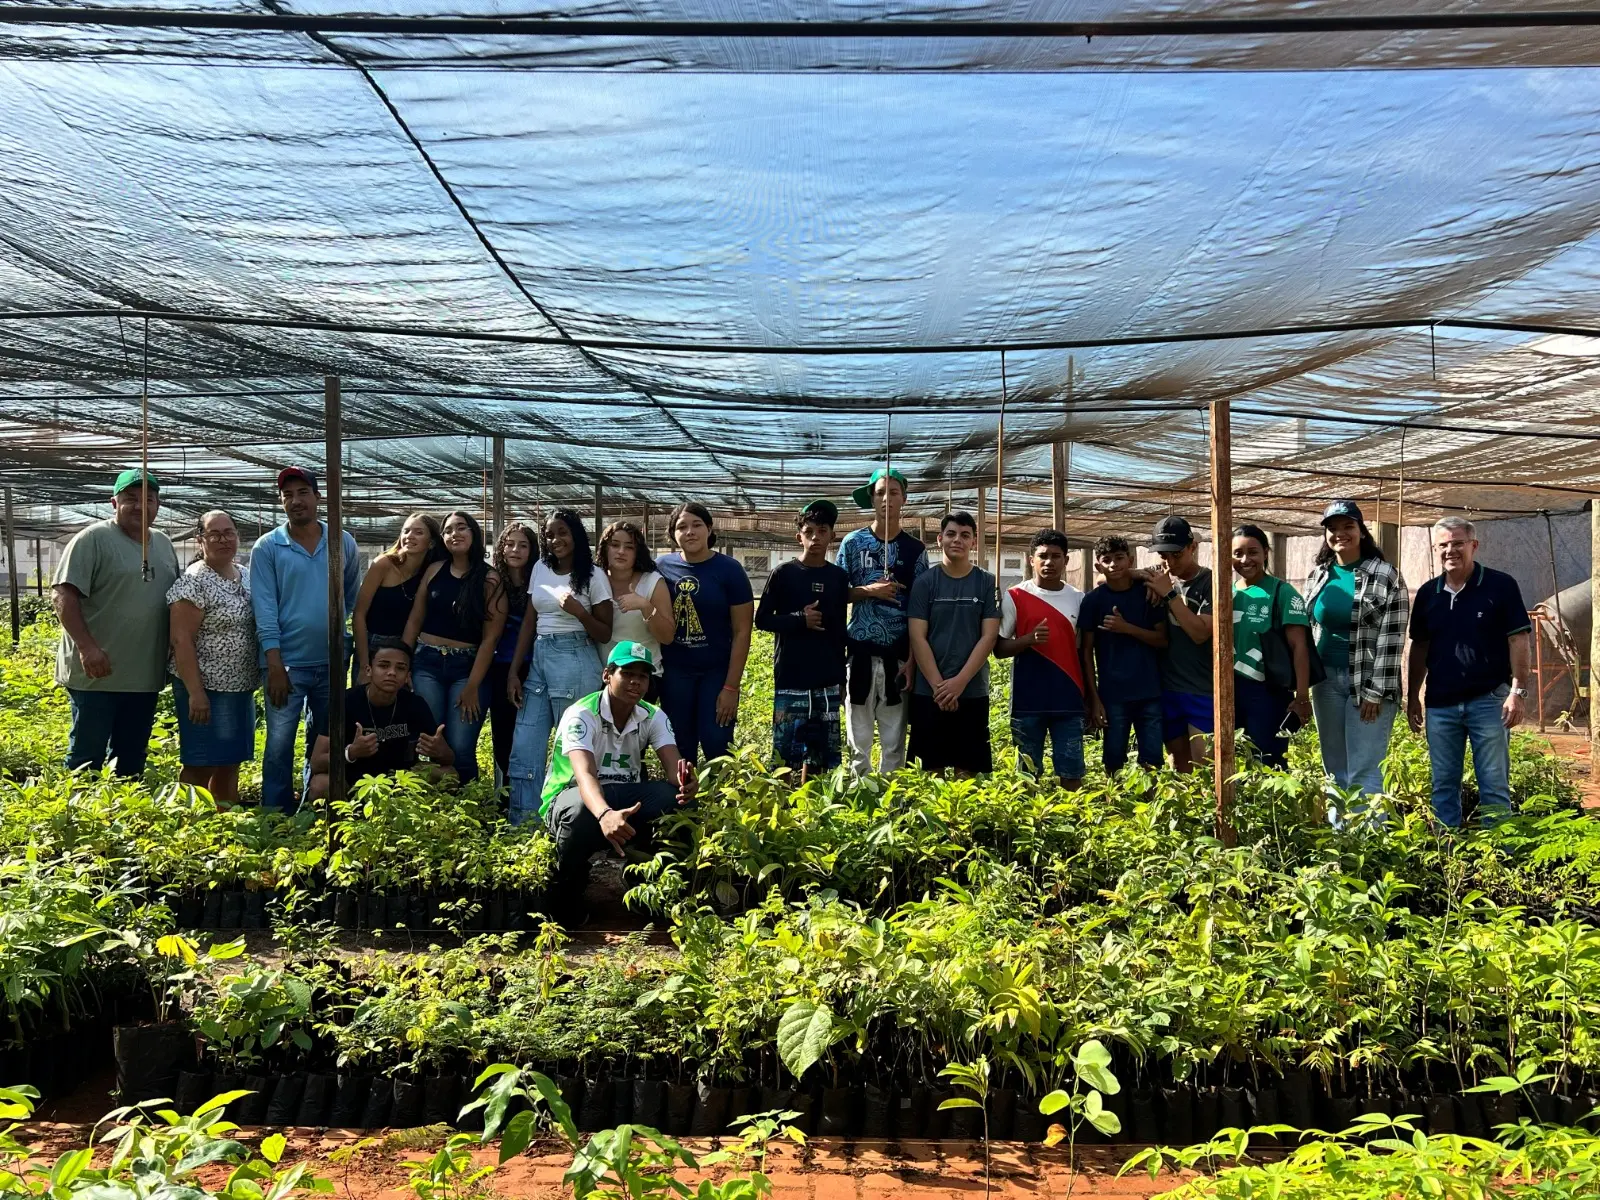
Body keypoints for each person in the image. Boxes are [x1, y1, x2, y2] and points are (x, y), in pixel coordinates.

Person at [541, 642, 699, 926]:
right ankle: (566, 894)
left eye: (643, 676)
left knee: (677, 802)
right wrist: (605, 815)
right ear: (607, 675)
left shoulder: (653, 715)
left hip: (625, 796)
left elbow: (672, 764)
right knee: (579, 810)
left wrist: (686, 782)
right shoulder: (581, 714)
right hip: (572, 797)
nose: (635, 682)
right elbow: (585, 775)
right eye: (627, 673)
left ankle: (647, 886)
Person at [52, 468, 180, 776]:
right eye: (130, 498)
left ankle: (123, 805)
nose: (139, 506)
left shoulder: (163, 544)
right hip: (98, 673)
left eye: (148, 499)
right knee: (87, 756)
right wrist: (87, 648)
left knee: (131, 757)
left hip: (144, 676)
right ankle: (80, 806)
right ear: (114, 503)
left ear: (158, 504)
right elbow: (63, 595)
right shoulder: (92, 539)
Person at [1406, 517, 1531, 827]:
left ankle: (1498, 848)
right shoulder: (1428, 594)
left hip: (1488, 700)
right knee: (1443, 784)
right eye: (1443, 545)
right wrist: (1412, 696)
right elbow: (1419, 648)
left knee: (1494, 784)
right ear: (1435, 549)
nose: (1451, 550)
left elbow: (1518, 640)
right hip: (1440, 704)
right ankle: (1446, 846)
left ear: (1474, 545)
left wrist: (1517, 692)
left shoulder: (1500, 586)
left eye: (1458, 543)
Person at [250, 467, 360, 811]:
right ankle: (275, 813)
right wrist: (274, 663)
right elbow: (264, 608)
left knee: (323, 739)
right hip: (286, 665)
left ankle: (312, 806)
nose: (295, 501)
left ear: (317, 497)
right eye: (288, 495)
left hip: (331, 661)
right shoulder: (268, 547)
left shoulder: (341, 541)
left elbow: (351, 593)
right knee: (279, 742)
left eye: (302, 493)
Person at [506, 510, 613, 823]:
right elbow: (530, 621)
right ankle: (523, 824)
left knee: (572, 749)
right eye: (549, 535)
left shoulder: (593, 575)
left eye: (562, 532)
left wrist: (579, 612)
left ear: (576, 535)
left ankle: (568, 823)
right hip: (540, 657)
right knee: (525, 744)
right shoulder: (541, 567)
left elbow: (604, 632)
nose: (555, 540)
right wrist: (514, 670)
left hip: (574, 659)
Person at [1302, 500, 1408, 807]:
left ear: (1362, 531)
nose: (1340, 534)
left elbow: (1393, 637)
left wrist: (1376, 691)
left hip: (1367, 683)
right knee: (1334, 770)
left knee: (1365, 770)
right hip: (1325, 682)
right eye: (1332, 529)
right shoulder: (1319, 575)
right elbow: (1308, 629)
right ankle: (1340, 835)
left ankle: (1368, 836)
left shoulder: (1386, 575)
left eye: (1348, 526)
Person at [402, 510, 506, 787]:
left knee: (461, 747)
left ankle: (468, 804)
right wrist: (404, 663)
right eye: (448, 530)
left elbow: (490, 639)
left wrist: (472, 686)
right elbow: (414, 620)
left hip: (468, 669)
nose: (454, 534)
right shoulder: (434, 570)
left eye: (461, 528)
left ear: (474, 533)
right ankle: (434, 805)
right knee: (429, 740)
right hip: (426, 663)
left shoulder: (490, 579)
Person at [838, 468, 929, 776]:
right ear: (871, 499)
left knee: (894, 742)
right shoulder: (853, 543)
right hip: (859, 654)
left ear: (904, 498)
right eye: (880, 493)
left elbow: (920, 611)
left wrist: (913, 660)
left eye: (893, 492)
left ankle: (892, 797)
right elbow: (838, 594)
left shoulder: (915, 550)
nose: (886, 499)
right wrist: (869, 591)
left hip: (898, 658)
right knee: (857, 739)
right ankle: (859, 795)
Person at [166, 510, 257, 805]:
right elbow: (181, 640)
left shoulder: (245, 575)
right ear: (200, 540)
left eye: (228, 533)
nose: (223, 540)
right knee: (201, 762)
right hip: (207, 689)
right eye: (214, 534)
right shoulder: (194, 581)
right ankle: (185, 819)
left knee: (230, 760)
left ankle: (224, 817)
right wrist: (196, 694)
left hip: (240, 688)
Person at [755, 501, 850, 773]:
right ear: (799, 537)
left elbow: (839, 630)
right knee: (785, 755)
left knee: (819, 756)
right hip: (791, 676)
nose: (815, 537)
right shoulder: (783, 574)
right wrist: (799, 619)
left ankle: (810, 799)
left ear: (832, 536)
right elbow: (762, 619)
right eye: (809, 532)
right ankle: (782, 798)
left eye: (822, 531)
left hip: (827, 679)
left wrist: (841, 678)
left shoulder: (838, 577)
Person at [657, 501, 754, 764]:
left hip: (717, 672)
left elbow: (742, 631)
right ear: (673, 534)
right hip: (675, 672)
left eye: (697, 525)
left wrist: (731, 687)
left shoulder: (729, 570)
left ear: (709, 529)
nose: (690, 532)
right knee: (679, 743)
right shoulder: (661, 567)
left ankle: (719, 790)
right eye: (682, 527)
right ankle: (683, 790)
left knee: (717, 741)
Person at [907, 511, 1000, 777]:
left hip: (971, 690)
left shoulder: (986, 582)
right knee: (929, 772)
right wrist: (940, 687)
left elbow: (989, 636)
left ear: (974, 541)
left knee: (967, 773)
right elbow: (917, 636)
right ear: (940, 539)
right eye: (951, 534)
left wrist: (959, 683)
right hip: (929, 691)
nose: (957, 540)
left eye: (964, 535)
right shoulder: (925, 583)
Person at [305, 638, 457, 799]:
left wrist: (441, 751)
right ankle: (346, 814)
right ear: (369, 670)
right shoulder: (344, 703)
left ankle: (425, 813)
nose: (392, 672)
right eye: (384, 666)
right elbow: (316, 763)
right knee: (320, 785)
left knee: (450, 775)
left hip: (402, 779)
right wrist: (351, 752)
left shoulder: (415, 704)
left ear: (407, 676)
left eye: (400, 668)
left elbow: (449, 759)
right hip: (352, 779)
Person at [995, 529, 1086, 786]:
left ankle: (1074, 813)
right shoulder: (1015, 596)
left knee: (1072, 773)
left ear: (1066, 560)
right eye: (1043, 556)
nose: (1049, 562)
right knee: (1027, 775)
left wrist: (1090, 698)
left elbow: (1083, 652)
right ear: (1031, 560)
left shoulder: (1078, 598)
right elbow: (999, 649)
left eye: (1056, 556)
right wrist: (1028, 640)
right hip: (1028, 701)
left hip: (1069, 699)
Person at [1078, 535, 1167, 774]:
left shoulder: (1148, 594)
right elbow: (1086, 652)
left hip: (1149, 691)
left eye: (1119, 558)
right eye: (1106, 560)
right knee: (1113, 758)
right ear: (1098, 566)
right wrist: (1094, 699)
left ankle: (1151, 797)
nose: (1113, 564)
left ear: (1130, 560)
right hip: (1113, 694)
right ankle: (1113, 796)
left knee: (1152, 759)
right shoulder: (1093, 601)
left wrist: (1127, 628)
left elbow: (1163, 640)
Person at [1229, 524, 1313, 770]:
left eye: (1253, 552)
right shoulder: (1226, 593)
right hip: (1230, 690)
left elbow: (1299, 647)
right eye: (1237, 553)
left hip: (1268, 692)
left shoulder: (1282, 592)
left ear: (1266, 552)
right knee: (1234, 761)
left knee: (1268, 762)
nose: (1245, 560)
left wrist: (1302, 697)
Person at [1144, 516, 1214, 773]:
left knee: (1206, 766)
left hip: (1202, 688)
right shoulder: (1160, 576)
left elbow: (1200, 633)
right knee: (1178, 766)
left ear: (1192, 547)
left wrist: (1169, 594)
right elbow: (1105, 579)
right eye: (1164, 556)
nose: (1170, 563)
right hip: (1168, 688)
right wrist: (1142, 575)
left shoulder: (1210, 583)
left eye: (1177, 555)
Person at [352, 513, 441, 682]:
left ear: (431, 543)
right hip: (373, 644)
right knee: (365, 695)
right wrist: (364, 665)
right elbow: (359, 614)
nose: (409, 536)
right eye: (406, 531)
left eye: (418, 532)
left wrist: (405, 660)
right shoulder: (383, 564)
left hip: (406, 646)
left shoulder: (430, 572)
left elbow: (417, 620)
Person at [598, 520, 674, 703]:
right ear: (605, 549)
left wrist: (645, 606)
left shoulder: (652, 582)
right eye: (615, 545)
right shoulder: (595, 579)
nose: (621, 551)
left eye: (629, 547)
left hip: (641, 676)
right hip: (603, 675)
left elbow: (667, 637)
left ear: (637, 552)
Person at [487, 521, 535, 788]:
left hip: (533, 667)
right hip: (499, 666)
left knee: (528, 736)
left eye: (523, 545)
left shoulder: (538, 583)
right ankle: (506, 796)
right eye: (510, 544)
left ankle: (529, 795)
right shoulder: (494, 583)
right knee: (503, 735)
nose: (515, 550)